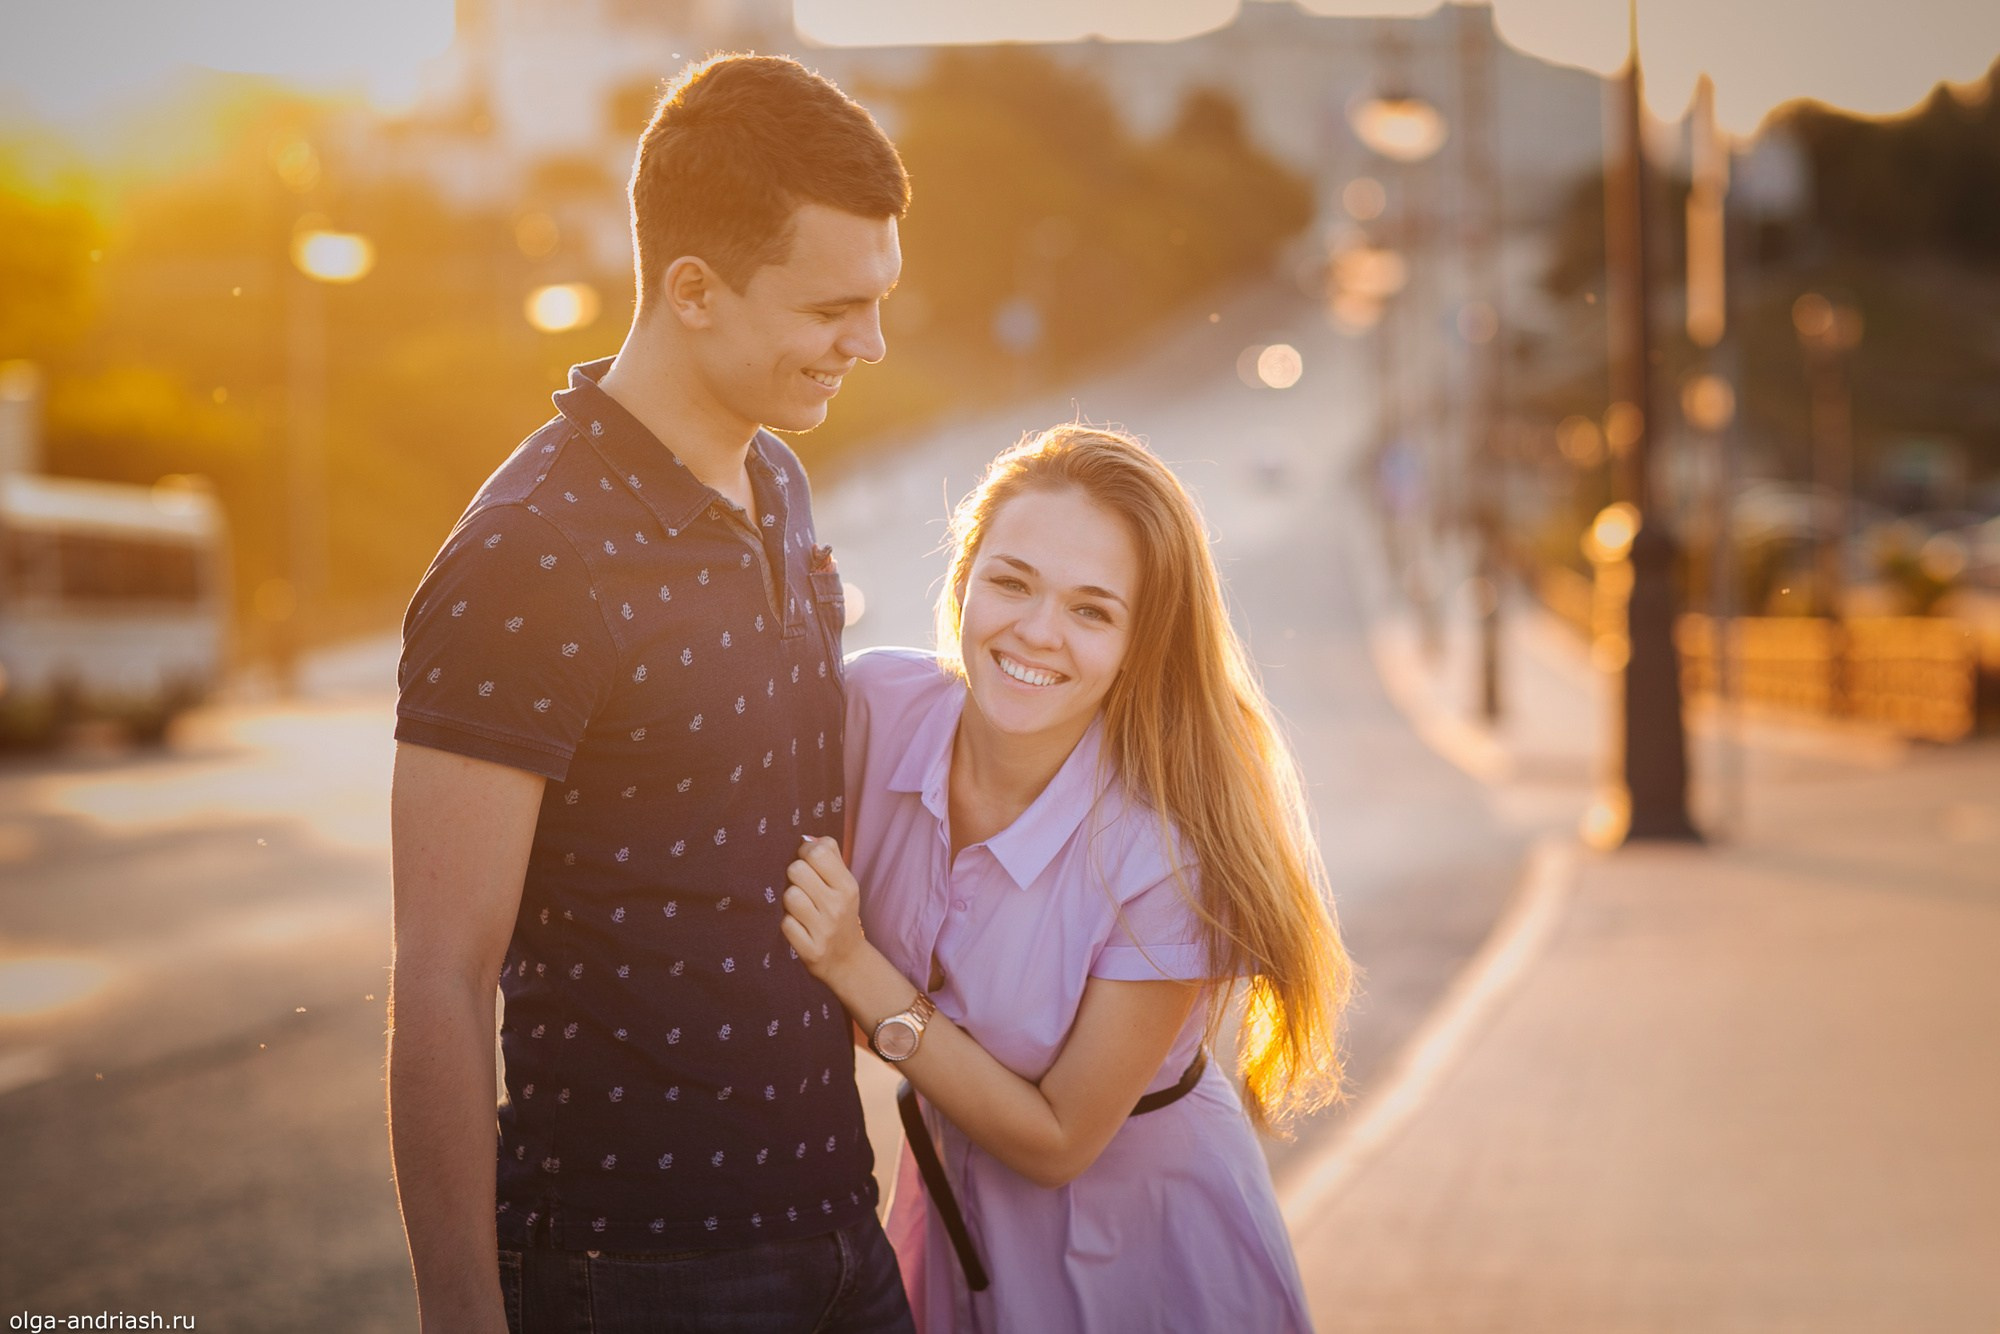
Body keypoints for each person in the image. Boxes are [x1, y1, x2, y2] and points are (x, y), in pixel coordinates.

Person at [387, 54, 913, 1333]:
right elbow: (441, 976)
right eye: (833, 307)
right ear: (693, 290)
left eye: (879, 301)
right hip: (636, 1272)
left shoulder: (776, 481)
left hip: (841, 1220)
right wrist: (463, 1312)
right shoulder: (528, 555)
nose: (871, 343)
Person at [782, 425, 1353, 1333]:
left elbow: (1056, 1143)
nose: (1036, 632)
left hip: (1142, 1255)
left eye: (1092, 611)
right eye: (1011, 581)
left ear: (1140, 643)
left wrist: (854, 966)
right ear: (964, 575)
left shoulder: (1167, 848)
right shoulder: (871, 710)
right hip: (949, 1210)